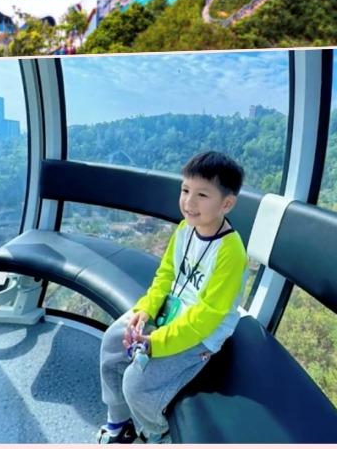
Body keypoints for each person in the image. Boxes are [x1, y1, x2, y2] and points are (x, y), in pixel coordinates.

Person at [97, 151, 248, 444]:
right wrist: (145, 311)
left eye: (202, 194)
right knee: (114, 340)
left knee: (137, 384)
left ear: (226, 203)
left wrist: (156, 343)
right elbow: (165, 276)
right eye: (185, 190)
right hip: (170, 312)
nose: (189, 202)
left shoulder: (231, 253)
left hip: (201, 335)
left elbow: (206, 318)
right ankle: (119, 419)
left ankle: (156, 434)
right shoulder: (185, 229)